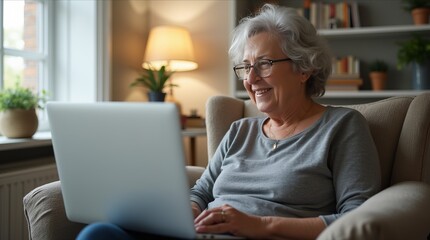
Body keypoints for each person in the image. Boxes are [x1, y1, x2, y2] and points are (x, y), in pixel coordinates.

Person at [77, 4, 381, 240]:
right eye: (246, 67)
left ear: (304, 68)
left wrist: (259, 225)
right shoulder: (240, 130)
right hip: (201, 233)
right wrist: (187, 212)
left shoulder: (341, 126)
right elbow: (200, 192)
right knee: (97, 233)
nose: (250, 79)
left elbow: (356, 220)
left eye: (264, 64)